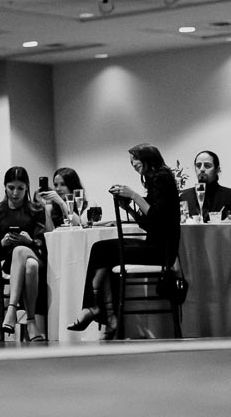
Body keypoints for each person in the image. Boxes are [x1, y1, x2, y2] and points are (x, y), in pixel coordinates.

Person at [68, 144, 180, 337]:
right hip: (157, 246)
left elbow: (156, 216)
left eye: (135, 159)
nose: (133, 164)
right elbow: (149, 224)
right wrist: (128, 208)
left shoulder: (162, 178)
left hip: (161, 250)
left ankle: (94, 308)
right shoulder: (156, 180)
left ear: (148, 157)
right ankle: (104, 314)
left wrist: (134, 195)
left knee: (103, 250)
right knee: (103, 250)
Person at [0, 166, 47, 340]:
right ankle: (31, 322)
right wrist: (2, 242)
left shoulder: (36, 209)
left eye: (20, 188)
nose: (15, 193)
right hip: (11, 263)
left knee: (22, 252)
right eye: (11, 188)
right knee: (28, 265)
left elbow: (44, 241)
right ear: (5, 187)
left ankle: (12, 309)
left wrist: (29, 240)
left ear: (27, 187)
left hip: (35, 254)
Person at [180, 150, 231, 221]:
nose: (202, 169)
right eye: (198, 165)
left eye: (207, 166)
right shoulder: (184, 196)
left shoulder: (230, 195)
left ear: (217, 170)